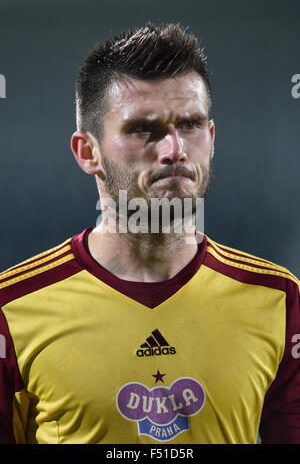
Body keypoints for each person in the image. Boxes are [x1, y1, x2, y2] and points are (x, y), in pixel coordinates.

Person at [0, 23, 299, 445]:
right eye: (144, 129)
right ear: (88, 152)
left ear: (211, 139)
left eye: (191, 124)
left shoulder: (279, 300)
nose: (174, 149)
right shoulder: (12, 307)